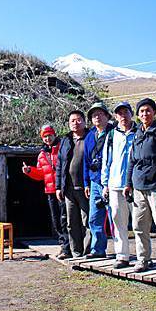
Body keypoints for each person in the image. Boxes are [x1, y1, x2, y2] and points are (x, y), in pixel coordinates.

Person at [125, 98, 156, 273]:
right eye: (142, 111)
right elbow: (131, 161)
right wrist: (128, 183)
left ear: (154, 112)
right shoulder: (136, 134)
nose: (145, 114)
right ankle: (143, 259)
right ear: (137, 115)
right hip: (138, 187)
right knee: (139, 226)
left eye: (148, 110)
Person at [22, 124, 71, 260]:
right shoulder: (42, 155)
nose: (47, 138)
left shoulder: (63, 148)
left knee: (65, 219)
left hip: (63, 189)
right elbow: (41, 174)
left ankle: (68, 248)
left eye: (49, 135)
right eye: (45, 136)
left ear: (54, 135)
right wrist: (30, 171)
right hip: (50, 191)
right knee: (56, 220)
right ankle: (64, 245)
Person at [101, 101, 137, 269]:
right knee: (118, 221)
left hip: (136, 185)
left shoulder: (139, 132)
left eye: (126, 112)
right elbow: (106, 161)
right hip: (115, 184)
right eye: (119, 113)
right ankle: (122, 256)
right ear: (115, 116)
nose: (123, 116)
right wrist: (105, 183)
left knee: (139, 223)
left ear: (131, 114)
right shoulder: (111, 135)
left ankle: (144, 257)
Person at [56, 110, 91, 257]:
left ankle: (88, 251)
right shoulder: (65, 140)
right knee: (71, 222)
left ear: (84, 121)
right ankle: (76, 252)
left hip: (85, 188)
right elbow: (59, 164)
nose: (75, 123)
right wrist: (58, 186)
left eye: (78, 120)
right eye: (72, 121)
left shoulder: (91, 137)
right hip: (68, 189)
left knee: (87, 221)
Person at [83, 102, 114, 258]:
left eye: (100, 114)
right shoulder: (89, 136)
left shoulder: (114, 133)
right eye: (94, 115)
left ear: (107, 116)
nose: (97, 117)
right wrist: (86, 182)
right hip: (95, 181)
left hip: (110, 181)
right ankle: (97, 250)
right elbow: (86, 161)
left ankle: (122, 252)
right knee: (95, 217)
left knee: (114, 217)